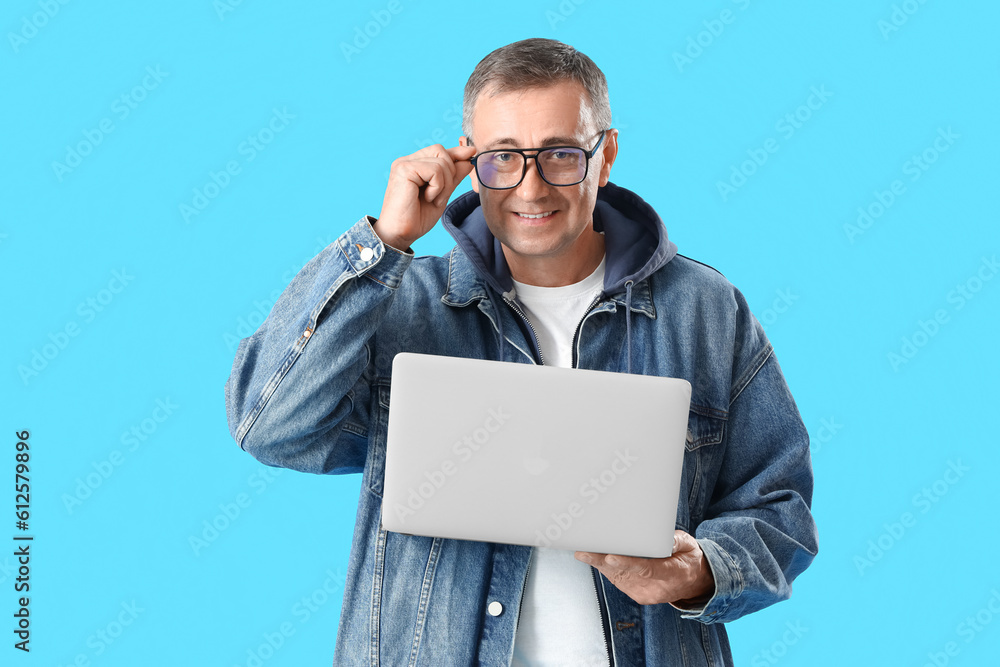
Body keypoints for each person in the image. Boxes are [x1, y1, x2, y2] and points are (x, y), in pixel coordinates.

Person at [225, 37, 818, 666]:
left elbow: (781, 510)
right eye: (503, 157)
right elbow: (270, 428)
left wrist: (700, 569)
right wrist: (385, 240)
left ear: (605, 155)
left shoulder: (705, 310)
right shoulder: (399, 305)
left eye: (560, 154)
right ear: (469, 161)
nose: (530, 188)